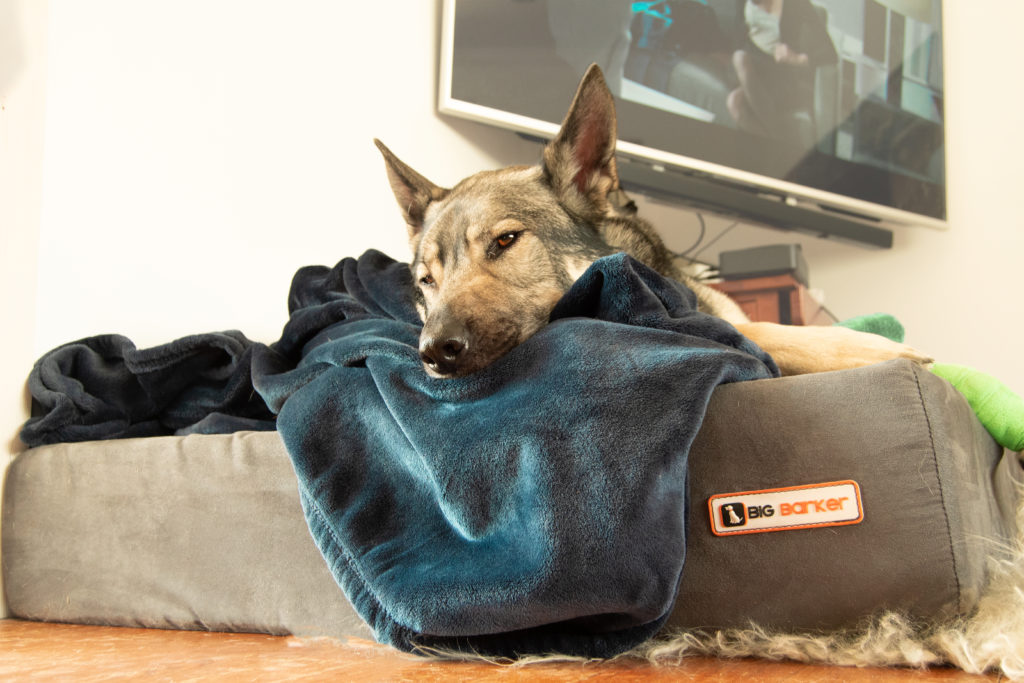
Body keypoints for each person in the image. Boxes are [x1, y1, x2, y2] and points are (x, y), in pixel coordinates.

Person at [727, 0, 837, 145]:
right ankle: (780, 141)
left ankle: (776, 141)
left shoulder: (796, 4)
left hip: (778, 73)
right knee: (735, 92)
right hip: (750, 68)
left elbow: (829, 53)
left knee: (735, 99)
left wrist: (796, 58)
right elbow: (738, 36)